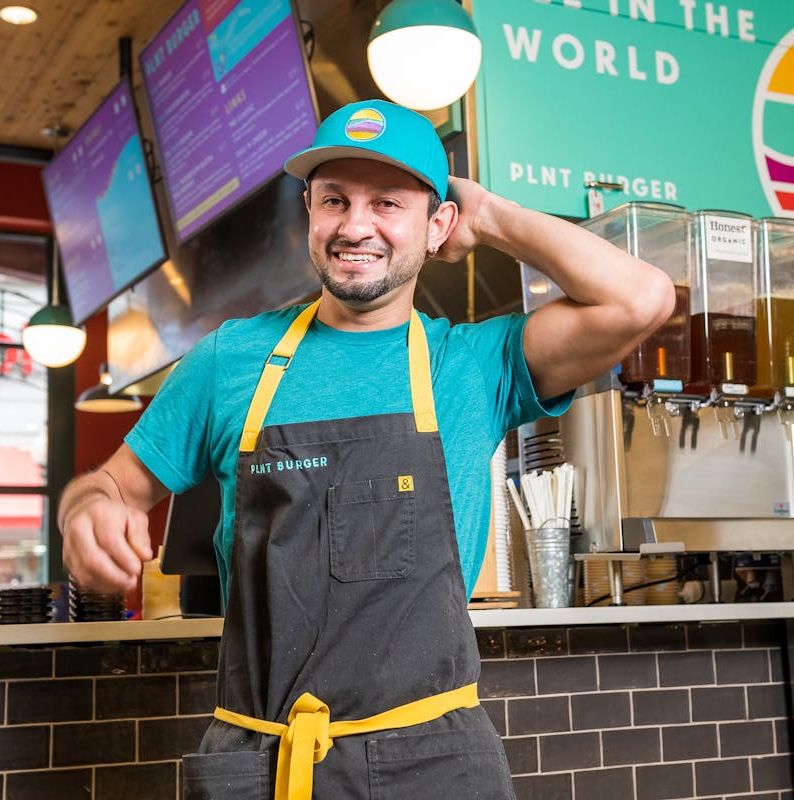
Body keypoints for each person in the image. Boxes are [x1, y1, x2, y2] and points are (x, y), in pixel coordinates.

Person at [58, 99, 674, 799]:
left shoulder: (473, 365)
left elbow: (642, 299)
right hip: (263, 761)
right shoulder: (231, 358)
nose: (355, 226)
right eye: (334, 200)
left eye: (388, 202)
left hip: (434, 769)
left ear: (437, 224)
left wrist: (490, 215)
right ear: (309, 213)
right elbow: (105, 487)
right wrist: (86, 513)